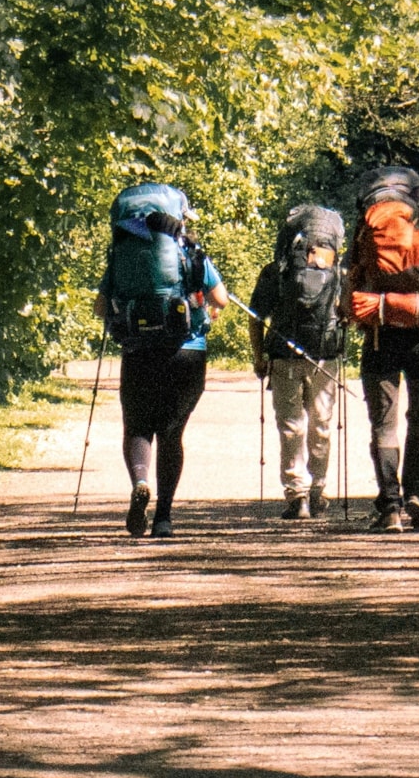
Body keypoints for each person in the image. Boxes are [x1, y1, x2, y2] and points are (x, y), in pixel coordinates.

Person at [98, 181, 229, 540]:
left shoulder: (123, 252)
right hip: (187, 351)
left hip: (138, 350)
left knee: (138, 426)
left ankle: (140, 481)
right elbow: (221, 298)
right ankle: (164, 520)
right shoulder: (188, 250)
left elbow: (100, 306)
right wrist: (203, 311)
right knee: (172, 434)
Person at [346, 165, 419, 531]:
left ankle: (390, 507)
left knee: (384, 424)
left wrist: (351, 317)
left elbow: (350, 285)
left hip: (380, 334)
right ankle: (416, 493)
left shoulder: (366, 231)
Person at [246, 202, 350, 521]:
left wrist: (258, 355)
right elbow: (348, 313)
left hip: (282, 354)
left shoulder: (276, 269)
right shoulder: (338, 271)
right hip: (324, 357)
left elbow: (256, 316)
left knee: (291, 426)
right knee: (321, 425)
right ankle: (319, 491)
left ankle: (297, 496)